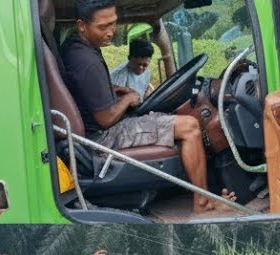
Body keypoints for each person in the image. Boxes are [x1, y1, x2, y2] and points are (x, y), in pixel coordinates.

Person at [60, 0, 229, 213]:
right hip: (102, 137)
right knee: (190, 126)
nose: (111, 32)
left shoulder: (76, 48)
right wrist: (129, 99)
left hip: (94, 131)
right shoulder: (86, 61)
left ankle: (206, 195)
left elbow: (87, 89)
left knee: (169, 117)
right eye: (103, 27)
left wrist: (115, 89)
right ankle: (202, 204)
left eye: (113, 24)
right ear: (81, 26)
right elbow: (105, 118)